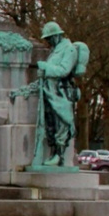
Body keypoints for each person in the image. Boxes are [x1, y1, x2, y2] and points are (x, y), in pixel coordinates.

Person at [35, 22, 80, 166]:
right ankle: (54, 153)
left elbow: (64, 70)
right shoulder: (55, 50)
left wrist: (45, 67)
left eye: (49, 38)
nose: (47, 41)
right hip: (50, 92)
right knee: (51, 123)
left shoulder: (69, 49)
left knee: (61, 123)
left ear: (56, 36)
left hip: (62, 92)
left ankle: (59, 155)